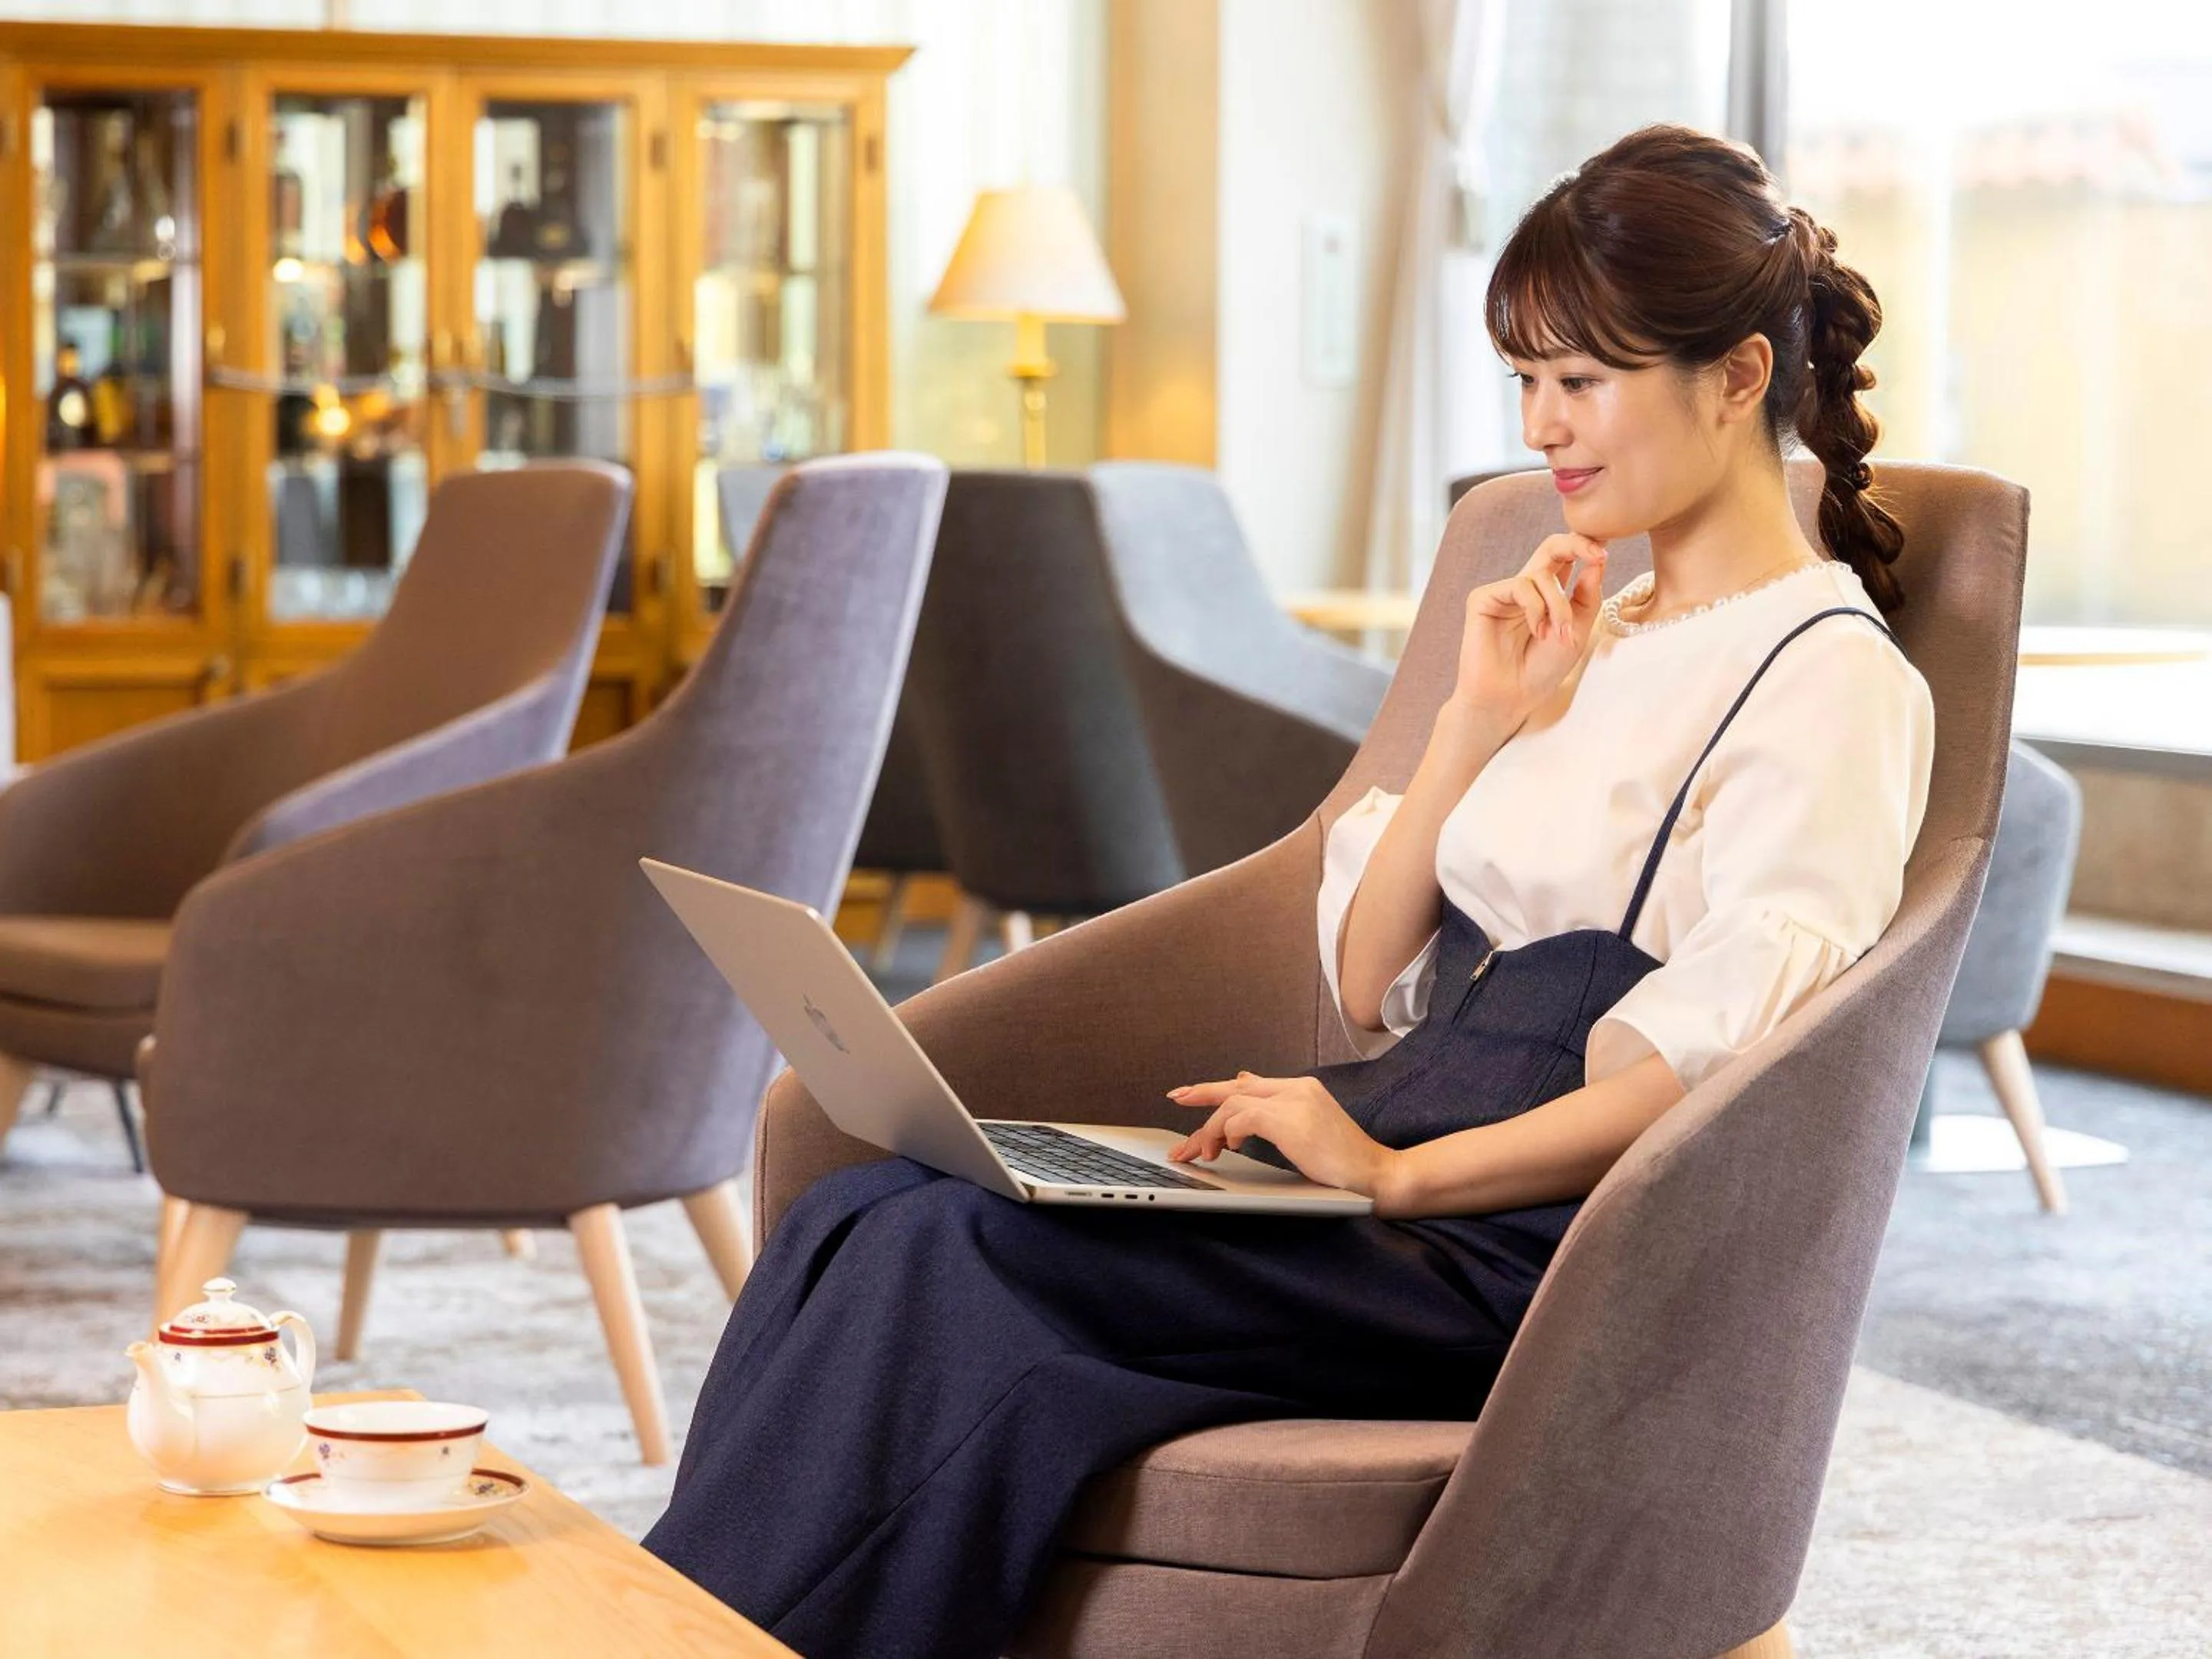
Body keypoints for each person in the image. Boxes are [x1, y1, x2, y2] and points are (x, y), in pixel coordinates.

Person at [644, 122, 1936, 1659]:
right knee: (874, 1212)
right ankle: (678, 1622)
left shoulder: (1823, 678)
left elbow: (1718, 1073)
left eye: (1579, 382)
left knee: (954, 1259)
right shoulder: (1597, 627)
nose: (1542, 428)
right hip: (1390, 1163)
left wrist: (1388, 1178)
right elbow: (1371, 970)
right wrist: (1474, 722)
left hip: (1526, 1252)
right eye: (1525, 381)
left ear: (1734, 378)